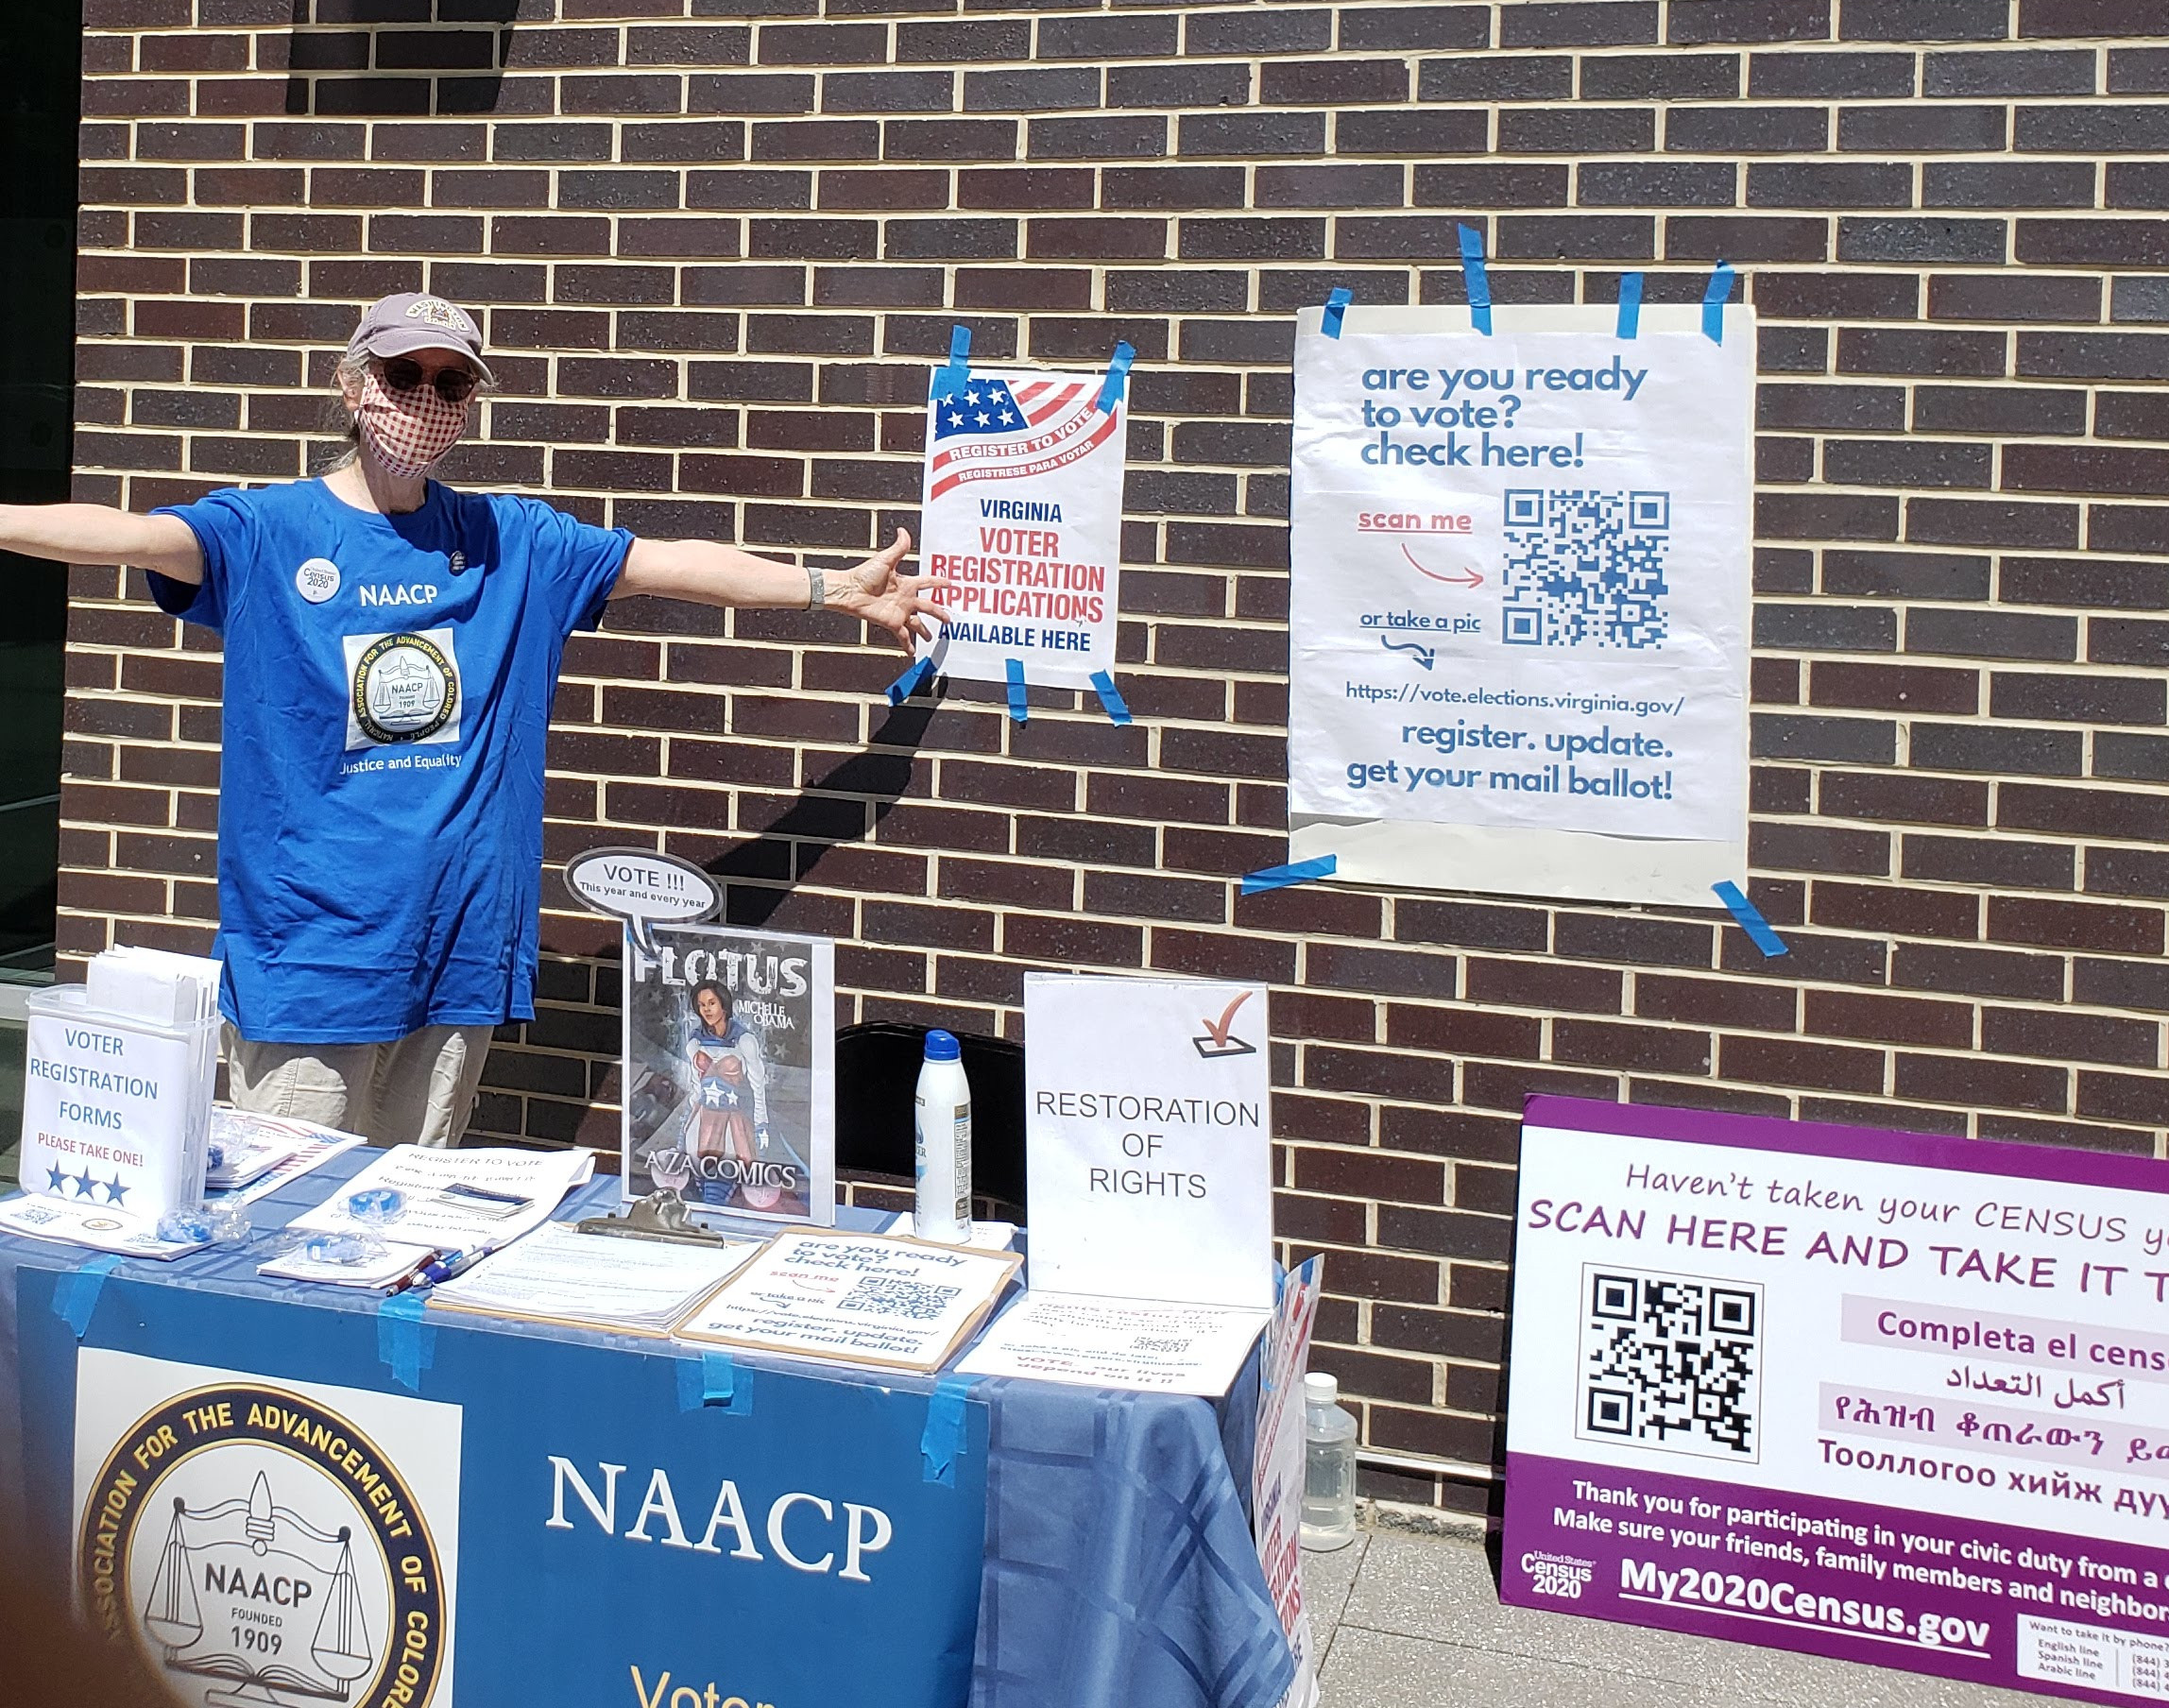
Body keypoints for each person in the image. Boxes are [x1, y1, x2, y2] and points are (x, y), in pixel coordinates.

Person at [0, 292, 949, 1147]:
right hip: (313, 952)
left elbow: (677, 564)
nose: (425, 396)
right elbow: (120, 533)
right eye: (402, 373)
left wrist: (830, 588)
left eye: (450, 382)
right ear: (350, 383)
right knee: (277, 1226)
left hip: (457, 948)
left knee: (406, 1225)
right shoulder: (266, 530)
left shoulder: (513, 541)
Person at [684, 980, 783, 1211]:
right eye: (701, 1005)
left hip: (735, 1120)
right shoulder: (695, 1041)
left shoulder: (745, 1040)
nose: (707, 1009)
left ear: (724, 1006)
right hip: (704, 1119)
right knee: (702, 1174)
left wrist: (761, 1124)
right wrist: (688, 1121)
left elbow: (758, 1086)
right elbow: (695, 1086)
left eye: (712, 1003)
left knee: (730, 1177)